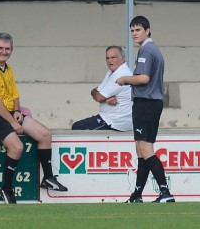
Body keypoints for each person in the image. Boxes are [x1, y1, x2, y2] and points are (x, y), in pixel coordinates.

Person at [0, 33, 67, 204]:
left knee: (45, 134)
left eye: (7, 49)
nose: (4, 52)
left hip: (8, 113)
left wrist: (17, 111)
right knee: (17, 147)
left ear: (12, 50)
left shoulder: (7, 69)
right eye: (0, 48)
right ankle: (6, 188)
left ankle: (48, 178)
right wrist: (13, 122)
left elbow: (14, 94)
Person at [116, 16, 175, 203]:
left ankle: (165, 192)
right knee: (140, 150)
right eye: (132, 30)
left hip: (146, 103)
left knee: (145, 148)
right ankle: (137, 195)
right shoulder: (151, 49)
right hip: (150, 103)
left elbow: (143, 79)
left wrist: (124, 80)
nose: (134, 33)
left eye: (138, 30)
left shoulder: (147, 49)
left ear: (148, 30)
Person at [72, 46, 133, 131]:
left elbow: (98, 97)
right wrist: (105, 98)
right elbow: (97, 93)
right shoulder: (110, 73)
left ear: (123, 59)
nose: (110, 61)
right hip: (109, 118)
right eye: (107, 58)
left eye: (113, 57)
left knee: (77, 127)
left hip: (114, 121)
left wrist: (101, 95)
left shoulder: (121, 74)